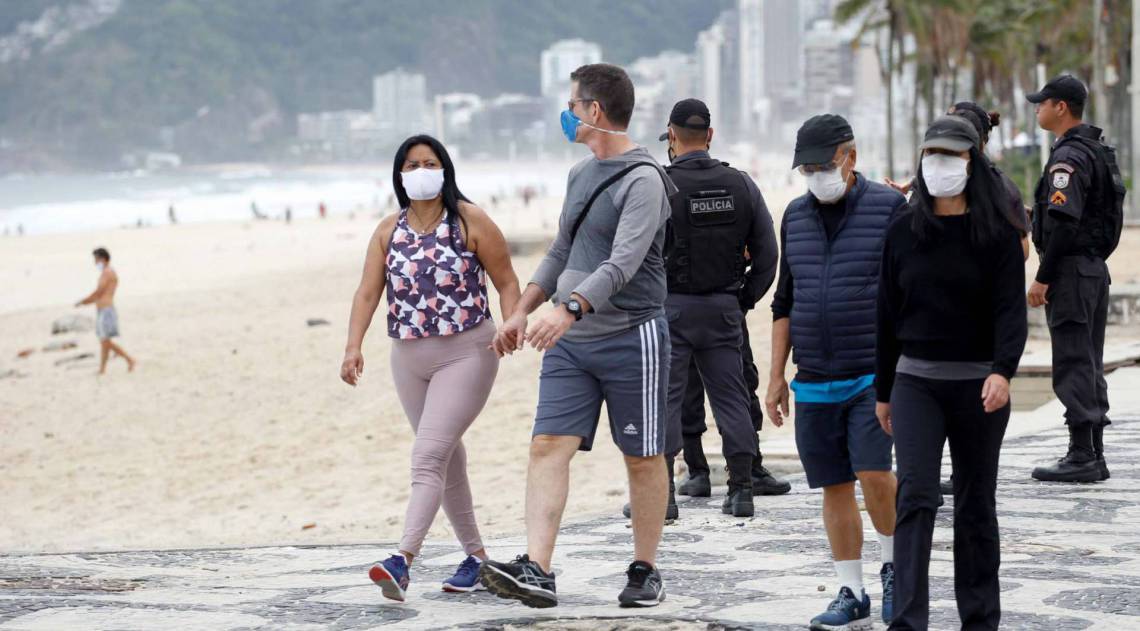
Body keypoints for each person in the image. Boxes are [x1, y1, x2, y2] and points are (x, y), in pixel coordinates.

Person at [479, 63, 675, 609]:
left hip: (632, 335)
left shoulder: (644, 180)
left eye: (573, 104)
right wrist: (522, 309)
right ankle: (538, 569)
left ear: (595, 111)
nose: (567, 113)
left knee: (641, 455)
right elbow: (563, 251)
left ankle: (645, 570)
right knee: (546, 445)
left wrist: (568, 309)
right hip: (571, 345)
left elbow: (623, 263)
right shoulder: (579, 175)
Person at [340, 134, 521, 601]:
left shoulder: (470, 220)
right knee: (445, 455)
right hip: (408, 357)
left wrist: (512, 322)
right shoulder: (388, 230)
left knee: (427, 455)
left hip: (467, 352)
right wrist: (352, 346)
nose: (421, 170)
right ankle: (477, 559)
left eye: (430, 162)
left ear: (445, 169)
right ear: (399, 175)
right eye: (412, 164)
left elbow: (506, 280)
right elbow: (367, 293)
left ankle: (402, 560)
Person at [876, 115, 1028, 630]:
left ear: (972, 162)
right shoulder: (903, 229)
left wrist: (1003, 371)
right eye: (932, 155)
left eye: (952, 156)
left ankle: (980, 620)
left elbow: (1011, 310)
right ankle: (907, 620)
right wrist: (883, 390)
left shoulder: (999, 233)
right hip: (916, 382)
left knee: (975, 502)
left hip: (979, 384)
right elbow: (886, 314)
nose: (939, 165)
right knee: (915, 493)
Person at [765, 114, 905, 630]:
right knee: (834, 485)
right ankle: (852, 588)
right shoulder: (795, 217)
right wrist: (777, 377)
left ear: (851, 158)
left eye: (824, 165)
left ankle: (896, 570)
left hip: (872, 374)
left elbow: (906, 291)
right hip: (814, 378)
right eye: (807, 168)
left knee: (874, 473)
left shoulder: (889, 208)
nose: (816, 175)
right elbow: (784, 301)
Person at [656, 97, 781, 517]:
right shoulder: (741, 184)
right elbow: (768, 255)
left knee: (667, 399)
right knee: (731, 396)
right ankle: (741, 489)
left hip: (670, 310)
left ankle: (665, 497)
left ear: (672, 135)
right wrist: (742, 298)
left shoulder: (659, 183)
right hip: (724, 308)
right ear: (710, 135)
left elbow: (634, 252)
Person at [1026, 75, 1125, 483]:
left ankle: (1083, 454)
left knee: (1072, 359)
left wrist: (1042, 278)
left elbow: (1065, 224)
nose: (1037, 108)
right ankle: (1092, 452)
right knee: (1087, 358)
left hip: (1069, 269)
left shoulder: (1069, 157)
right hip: (1092, 269)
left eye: (1042, 103)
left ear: (1061, 107)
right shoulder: (1096, 151)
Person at [75, 248, 136, 375]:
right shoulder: (108, 272)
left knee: (105, 341)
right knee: (104, 341)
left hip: (106, 310)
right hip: (104, 309)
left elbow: (99, 293)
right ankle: (103, 369)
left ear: (102, 258)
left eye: (96, 259)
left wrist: (83, 302)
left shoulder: (107, 273)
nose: (95, 262)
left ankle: (129, 359)